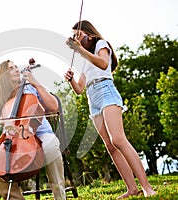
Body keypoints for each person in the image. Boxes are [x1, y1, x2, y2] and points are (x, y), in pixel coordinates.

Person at [64, 20, 157, 199]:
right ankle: (132, 189)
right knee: (110, 145)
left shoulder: (101, 44)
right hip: (93, 98)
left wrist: (79, 50)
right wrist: (71, 80)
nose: (76, 39)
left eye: (78, 34)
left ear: (88, 35)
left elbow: (102, 64)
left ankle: (147, 187)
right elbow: (79, 89)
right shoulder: (83, 60)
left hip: (106, 91)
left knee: (118, 139)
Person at [0, 60, 66, 200]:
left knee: (51, 148)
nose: (16, 69)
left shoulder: (31, 88)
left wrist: (35, 82)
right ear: (4, 75)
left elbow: (54, 107)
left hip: (41, 133)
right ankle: (15, 197)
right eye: (11, 68)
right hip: (13, 139)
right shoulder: (1, 99)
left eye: (16, 67)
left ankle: (60, 197)